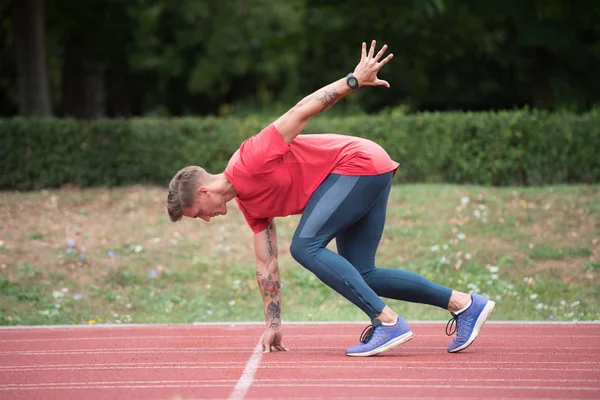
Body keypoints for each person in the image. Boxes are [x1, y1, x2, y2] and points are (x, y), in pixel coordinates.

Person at [167, 40, 495, 356]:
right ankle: (464, 304)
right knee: (362, 273)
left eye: (198, 213)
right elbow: (266, 264)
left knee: (304, 246)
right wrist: (273, 322)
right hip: (368, 171)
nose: (205, 219)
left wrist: (353, 80)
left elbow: (299, 111)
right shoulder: (250, 205)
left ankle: (387, 322)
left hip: (358, 165)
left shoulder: (249, 158)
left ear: (204, 192)